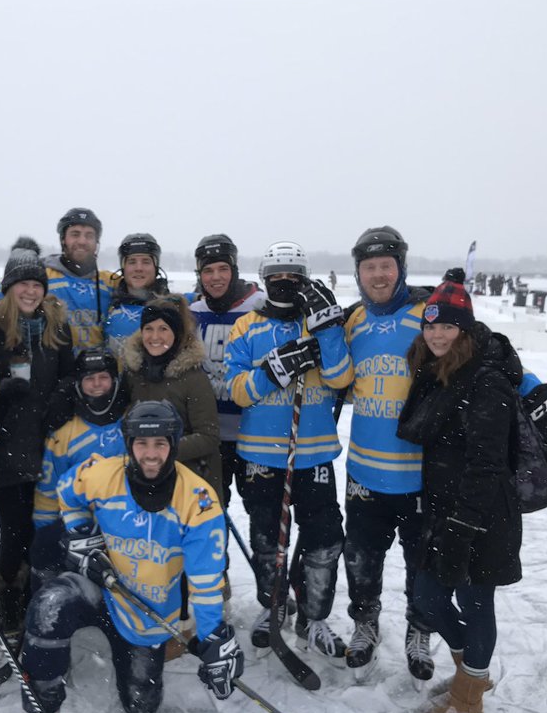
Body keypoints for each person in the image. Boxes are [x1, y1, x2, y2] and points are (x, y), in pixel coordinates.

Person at [9, 401, 239, 713]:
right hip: (100, 588)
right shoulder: (102, 474)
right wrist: (81, 532)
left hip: (145, 612)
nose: (150, 455)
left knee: (141, 707)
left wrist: (214, 638)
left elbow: (206, 583)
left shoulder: (198, 501)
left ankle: (128, 654)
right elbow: (67, 493)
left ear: (174, 445)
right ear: (128, 444)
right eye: (142, 445)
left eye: (160, 445)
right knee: (50, 605)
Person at [395, 278, 528, 713]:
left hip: (481, 515)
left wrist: (464, 525)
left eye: (448, 327)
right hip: (444, 510)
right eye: (431, 326)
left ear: (465, 332)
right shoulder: (436, 374)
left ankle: (469, 696)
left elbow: (488, 464)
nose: (437, 335)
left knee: (475, 603)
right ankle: (470, 670)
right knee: (428, 601)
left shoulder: (485, 382)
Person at [225, 241, 352, 663]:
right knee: (268, 541)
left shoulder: (315, 324)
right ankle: (273, 605)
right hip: (261, 457)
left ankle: (314, 617)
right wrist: (272, 371)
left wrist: (329, 327)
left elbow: (338, 377)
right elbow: (237, 390)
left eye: (292, 277)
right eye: (275, 277)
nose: (284, 284)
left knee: (323, 541)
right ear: (263, 280)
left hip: (312, 454)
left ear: (304, 280)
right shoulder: (246, 327)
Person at [339, 227, 440, 678]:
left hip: (419, 475)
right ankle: (365, 622)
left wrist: (534, 394)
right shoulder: (352, 321)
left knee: (423, 564)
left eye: (386, 265)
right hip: (364, 473)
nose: (378, 275)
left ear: (401, 268)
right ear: (358, 272)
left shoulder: (427, 315)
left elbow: (485, 358)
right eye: (369, 267)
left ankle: (419, 631)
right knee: (361, 560)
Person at [0, 243, 74, 646]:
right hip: (7, 447)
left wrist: (60, 399)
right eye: (23, 284)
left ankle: (39, 597)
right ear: (9, 288)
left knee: (44, 531)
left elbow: (71, 374)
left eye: (37, 283)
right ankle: (9, 602)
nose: (30, 291)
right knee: (13, 531)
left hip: (47, 445)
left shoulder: (57, 326)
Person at [30, 347, 130, 588]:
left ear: (115, 381)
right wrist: (46, 537)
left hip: (127, 525)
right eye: (89, 379)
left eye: (104, 378)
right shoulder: (63, 434)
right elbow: (48, 490)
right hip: (80, 528)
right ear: (78, 384)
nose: (97, 385)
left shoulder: (131, 424)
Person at [188, 234, 265, 512]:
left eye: (223, 269)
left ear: (234, 270)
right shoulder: (193, 311)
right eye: (208, 270)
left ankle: (266, 558)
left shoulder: (259, 306)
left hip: (254, 436)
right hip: (209, 437)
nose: (216, 277)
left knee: (261, 515)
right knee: (207, 515)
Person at [120, 296, 221, 495]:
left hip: (187, 479)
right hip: (142, 475)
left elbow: (209, 436)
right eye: (149, 329)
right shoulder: (133, 373)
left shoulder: (193, 378)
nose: (155, 337)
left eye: (163, 329)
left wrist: (163, 449)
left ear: (176, 333)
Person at [41, 208, 118, 351]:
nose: (82, 241)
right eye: (75, 234)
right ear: (63, 239)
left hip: (100, 370)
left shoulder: (111, 282)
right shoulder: (42, 276)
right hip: (57, 368)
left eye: (89, 235)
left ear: (96, 242)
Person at [104, 233, 170, 355]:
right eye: (132, 262)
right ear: (123, 267)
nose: (138, 268)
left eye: (146, 262)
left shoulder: (173, 307)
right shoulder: (107, 304)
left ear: (156, 267)